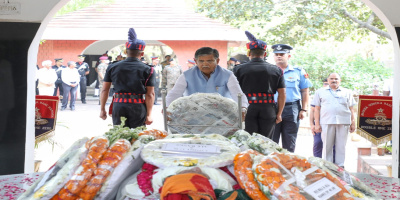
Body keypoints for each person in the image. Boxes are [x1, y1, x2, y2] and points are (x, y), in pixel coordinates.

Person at [166, 47, 248, 116]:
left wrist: (243, 108)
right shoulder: (186, 75)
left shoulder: (228, 74)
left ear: (217, 61)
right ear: (195, 61)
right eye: (201, 61)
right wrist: (167, 108)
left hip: (221, 116)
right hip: (193, 115)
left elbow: (237, 94)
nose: (205, 64)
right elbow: (175, 93)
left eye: (209, 61)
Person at [234, 31, 286, 139]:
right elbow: (282, 93)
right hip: (268, 108)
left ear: (249, 53)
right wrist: (279, 114)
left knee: (247, 140)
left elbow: (232, 91)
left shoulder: (238, 69)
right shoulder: (276, 70)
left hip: (246, 107)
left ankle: (247, 156)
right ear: (265, 54)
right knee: (265, 141)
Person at [99, 28, 155, 128]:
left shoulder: (112, 67)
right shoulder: (148, 69)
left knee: (119, 135)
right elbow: (150, 94)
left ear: (126, 52)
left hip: (118, 105)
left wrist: (102, 109)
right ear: (141, 53)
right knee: (137, 137)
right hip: (137, 107)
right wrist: (149, 115)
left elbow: (104, 89)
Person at [272, 44, 312, 153]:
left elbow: (304, 91)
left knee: (290, 141)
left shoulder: (298, 71)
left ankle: (288, 165)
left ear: (288, 56)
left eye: (282, 54)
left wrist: (304, 109)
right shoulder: (269, 71)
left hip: (292, 108)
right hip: (272, 108)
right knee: (271, 141)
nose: (279, 56)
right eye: (276, 54)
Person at [313, 73, 356, 168]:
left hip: (343, 122)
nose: (334, 80)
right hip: (327, 121)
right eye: (331, 79)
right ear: (328, 80)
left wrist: (353, 122)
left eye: (336, 79)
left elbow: (351, 108)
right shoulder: (320, 92)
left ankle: (340, 166)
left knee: (341, 146)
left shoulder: (347, 92)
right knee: (327, 145)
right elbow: (317, 108)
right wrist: (317, 124)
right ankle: (327, 166)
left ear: (340, 80)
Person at [310, 78, 330, 158]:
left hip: (330, 122)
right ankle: (317, 163)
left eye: (327, 84)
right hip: (319, 123)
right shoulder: (319, 93)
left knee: (331, 145)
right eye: (325, 83)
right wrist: (312, 124)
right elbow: (312, 110)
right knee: (318, 143)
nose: (326, 85)